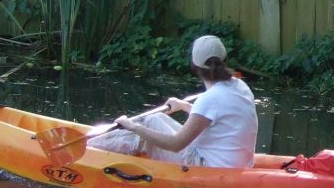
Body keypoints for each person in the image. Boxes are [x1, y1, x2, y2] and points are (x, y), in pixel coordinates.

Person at [90, 35, 258, 169]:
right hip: (229, 163)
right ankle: (98, 145)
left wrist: (132, 126)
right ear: (225, 59)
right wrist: (184, 106)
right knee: (155, 118)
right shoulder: (239, 85)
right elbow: (216, 117)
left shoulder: (209, 99)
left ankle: (89, 150)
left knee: (144, 125)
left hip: (208, 167)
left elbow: (175, 145)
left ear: (194, 66)